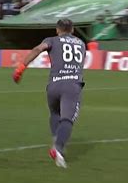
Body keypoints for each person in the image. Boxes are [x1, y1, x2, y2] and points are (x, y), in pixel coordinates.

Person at [12, 19, 86, 168]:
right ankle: (58, 148)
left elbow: (37, 50)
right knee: (67, 119)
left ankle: (56, 140)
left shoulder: (52, 40)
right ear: (72, 30)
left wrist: (20, 68)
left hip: (53, 85)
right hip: (72, 85)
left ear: (57, 30)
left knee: (55, 114)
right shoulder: (81, 43)